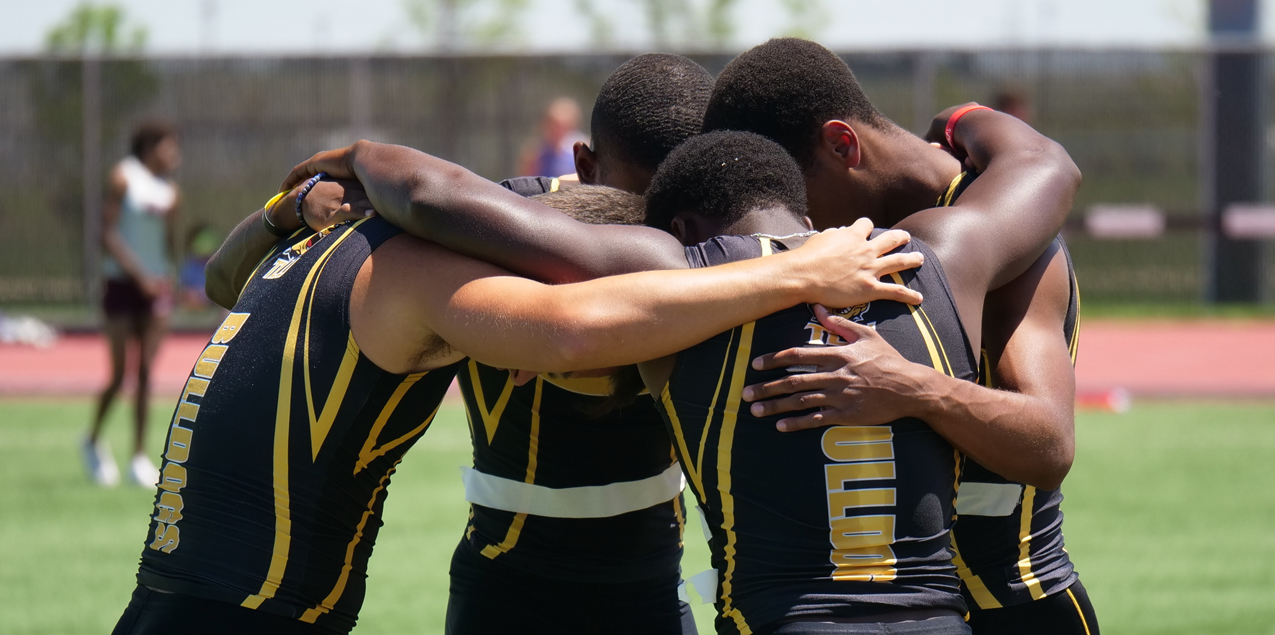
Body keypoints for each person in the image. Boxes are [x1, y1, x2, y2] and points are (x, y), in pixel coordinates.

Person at [278, 74, 1076, 632]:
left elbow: (435, 200)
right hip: (967, 614)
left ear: (683, 227)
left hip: (748, 612)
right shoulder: (934, 258)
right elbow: (1043, 165)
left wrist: (346, 165)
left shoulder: (682, 280)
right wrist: (963, 117)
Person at [112, 172, 919, 634]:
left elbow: (223, 281)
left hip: (172, 603)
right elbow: (570, 336)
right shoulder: (415, 267)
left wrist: (288, 204)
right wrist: (800, 272)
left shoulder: (322, 241)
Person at [210, 55, 724, 633]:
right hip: (507, 592)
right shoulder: (485, 223)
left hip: (655, 586)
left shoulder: (717, 228)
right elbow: (224, 282)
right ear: (584, 163)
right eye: (645, 204)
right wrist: (290, 207)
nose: (663, 232)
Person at [699, 39, 1096, 633]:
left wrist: (916, 389)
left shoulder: (1012, 243)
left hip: (1015, 606)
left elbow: (1048, 446)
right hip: (903, 611)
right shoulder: (869, 246)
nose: (796, 229)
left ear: (842, 145)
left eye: (792, 198)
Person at [84, 120, 182, 488]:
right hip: (122, 285)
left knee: (144, 375)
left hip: (155, 290)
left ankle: (139, 456)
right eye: (169, 146)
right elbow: (105, 234)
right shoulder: (124, 178)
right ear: (150, 146)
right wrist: (138, 275)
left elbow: (168, 242)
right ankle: (92, 440)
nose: (175, 154)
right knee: (119, 373)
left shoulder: (171, 191)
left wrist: (173, 278)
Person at [517, 96, 588, 178]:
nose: (557, 130)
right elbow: (526, 181)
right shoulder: (534, 153)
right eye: (554, 125)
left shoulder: (582, 148)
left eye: (563, 125)